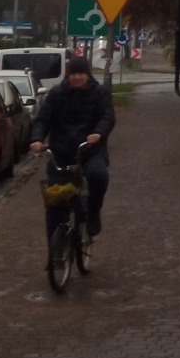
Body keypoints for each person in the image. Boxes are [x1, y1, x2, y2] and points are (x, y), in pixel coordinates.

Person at [29, 54, 115, 260]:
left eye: (81, 73)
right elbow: (42, 119)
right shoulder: (56, 94)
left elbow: (107, 116)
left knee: (98, 176)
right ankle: (56, 253)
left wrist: (99, 133)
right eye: (73, 74)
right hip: (61, 153)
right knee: (55, 201)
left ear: (87, 74)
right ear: (68, 76)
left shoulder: (100, 93)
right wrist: (37, 139)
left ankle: (93, 213)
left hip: (90, 150)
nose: (77, 77)